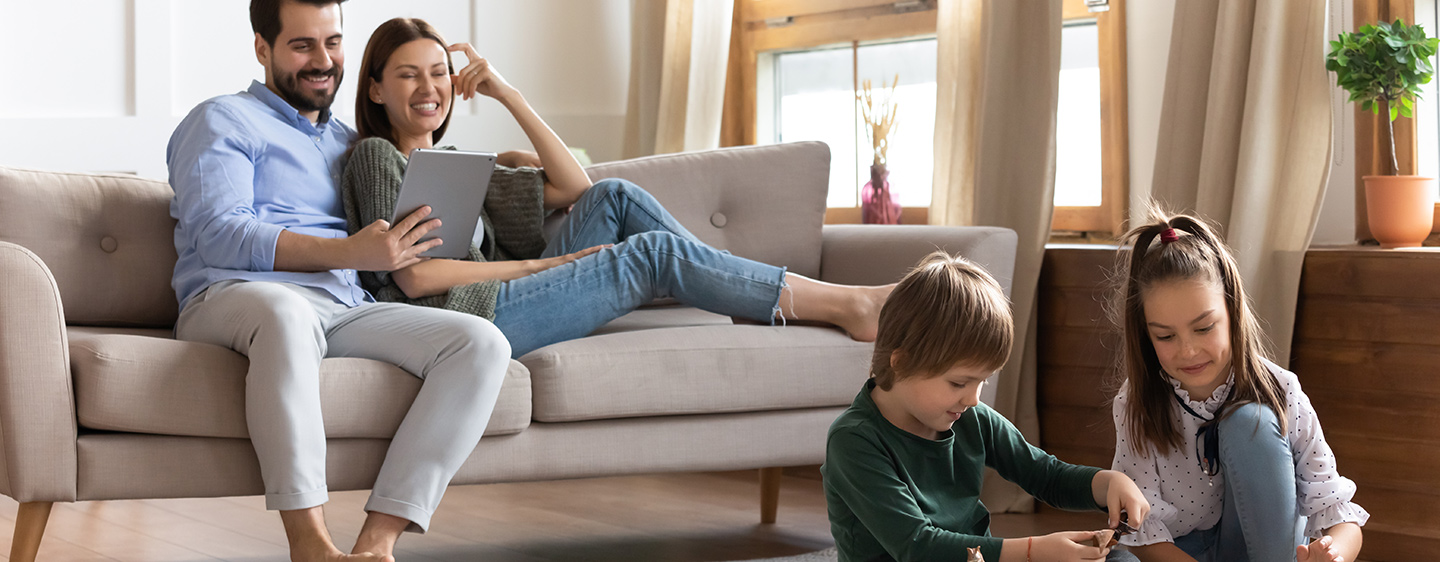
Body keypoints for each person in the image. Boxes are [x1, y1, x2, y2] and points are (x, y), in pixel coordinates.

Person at [168, 1, 512, 560]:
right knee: (284, 313)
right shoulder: (221, 119)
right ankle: (310, 545)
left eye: (333, 42)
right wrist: (350, 250)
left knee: (479, 342)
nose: (323, 60)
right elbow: (220, 233)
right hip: (231, 297)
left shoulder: (348, 142)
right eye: (302, 45)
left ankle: (378, 543)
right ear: (263, 48)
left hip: (341, 304)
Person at [341, 18, 896, 358]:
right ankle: (848, 303)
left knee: (616, 195)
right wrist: (541, 267)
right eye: (408, 74)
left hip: (493, 295)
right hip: (468, 315)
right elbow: (414, 277)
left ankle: (754, 298)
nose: (429, 87)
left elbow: (576, 186)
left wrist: (508, 94)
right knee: (650, 255)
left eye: (439, 72)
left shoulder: (459, 165)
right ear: (376, 88)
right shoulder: (375, 155)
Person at [822, 251, 1151, 562]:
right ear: (902, 363)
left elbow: (1046, 476)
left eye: (983, 381)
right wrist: (1033, 551)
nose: (973, 399)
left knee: (1117, 558)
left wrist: (1109, 483)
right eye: (959, 383)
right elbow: (918, 546)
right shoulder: (854, 441)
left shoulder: (970, 418)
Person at [1108, 211, 1368, 562]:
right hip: (1180, 553)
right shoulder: (1135, 402)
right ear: (1145, 336)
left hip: (1267, 552)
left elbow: (1338, 512)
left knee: (1251, 421)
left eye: (1204, 328)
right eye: (1165, 336)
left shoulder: (1281, 388)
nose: (1188, 350)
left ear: (1231, 312)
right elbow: (1142, 532)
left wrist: (1333, 552)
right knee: (1117, 559)